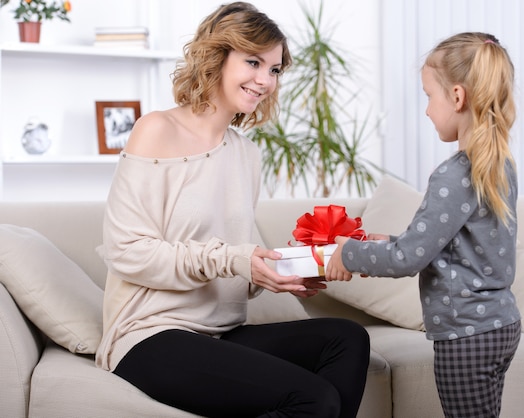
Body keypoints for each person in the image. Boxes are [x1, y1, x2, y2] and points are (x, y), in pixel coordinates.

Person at [95, 3, 370, 417]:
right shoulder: (157, 130)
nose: (265, 81)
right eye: (254, 62)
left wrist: (284, 269)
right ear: (217, 56)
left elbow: (236, 262)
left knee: (347, 338)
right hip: (150, 337)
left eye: (275, 70)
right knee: (315, 398)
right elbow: (127, 251)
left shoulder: (245, 153)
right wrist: (236, 259)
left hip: (220, 334)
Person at [326, 32, 521, 418]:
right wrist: (391, 240)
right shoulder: (498, 165)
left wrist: (347, 253)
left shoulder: (455, 174)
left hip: (465, 335)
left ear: (458, 97)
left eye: (429, 96)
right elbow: (449, 244)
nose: (428, 110)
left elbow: (405, 260)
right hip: (500, 326)